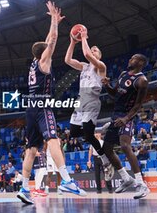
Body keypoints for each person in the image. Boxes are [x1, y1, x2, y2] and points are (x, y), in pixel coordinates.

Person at [17, 1, 86, 205]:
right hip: (41, 106)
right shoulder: (44, 62)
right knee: (54, 140)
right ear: (44, 54)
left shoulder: (34, 63)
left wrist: (53, 21)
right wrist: (55, 23)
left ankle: (23, 187)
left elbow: (47, 41)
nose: (50, 49)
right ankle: (66, 180)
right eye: (47, 49)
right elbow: (53, 38)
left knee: (31, 150)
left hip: (30, 108)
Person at [64, 26, 113, 181]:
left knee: (88, 135)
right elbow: (67, 60)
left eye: (96, 50)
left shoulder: (101, 66)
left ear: (99, 55)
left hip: (92, 100)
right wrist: (72, 42)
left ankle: (106, 161)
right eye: (92, 49)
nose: (93, 50)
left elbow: (86, 53)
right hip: (80, 101)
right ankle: (98, 129)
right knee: (73, 133)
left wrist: (84, 37)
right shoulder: (84, 67)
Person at [101, 54, 150, 199]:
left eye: (133, 58)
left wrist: (126, 118)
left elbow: (138, 105)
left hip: (127, 115)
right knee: (107, 149)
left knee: (124, 145)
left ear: (140, 62)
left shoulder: (142, 81)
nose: (129, 60)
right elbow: (115, 94)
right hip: (116, 114)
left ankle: (142, 185)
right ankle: (126, 178)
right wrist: (107, 85)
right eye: (130, 58)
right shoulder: (123, 74)